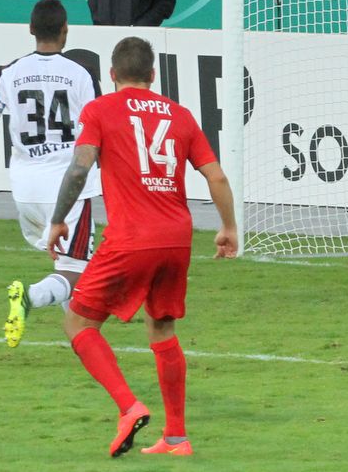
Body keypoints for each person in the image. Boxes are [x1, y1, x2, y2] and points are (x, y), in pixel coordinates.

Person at [46, 36, 238, 458]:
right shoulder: (180, 115)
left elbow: (79, 168)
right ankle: (176, 438)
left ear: (112, 74)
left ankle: (129, 407)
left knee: (78, 323)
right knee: (163, 329)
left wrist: (59, 219)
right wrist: (228, 227)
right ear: (153, 75)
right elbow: (217, 177)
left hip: (132, 238)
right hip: (176, 239)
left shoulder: (100, 109)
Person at [0, 0, 101, 346]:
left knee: (69, 265)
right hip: (68, 186)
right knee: (77, 269)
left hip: (25, 188)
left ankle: (79, 338)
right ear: (65, 30)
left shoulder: (9, 72)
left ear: (31, 30)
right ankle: (29, 296)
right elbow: (99, 128)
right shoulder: (80, 74)